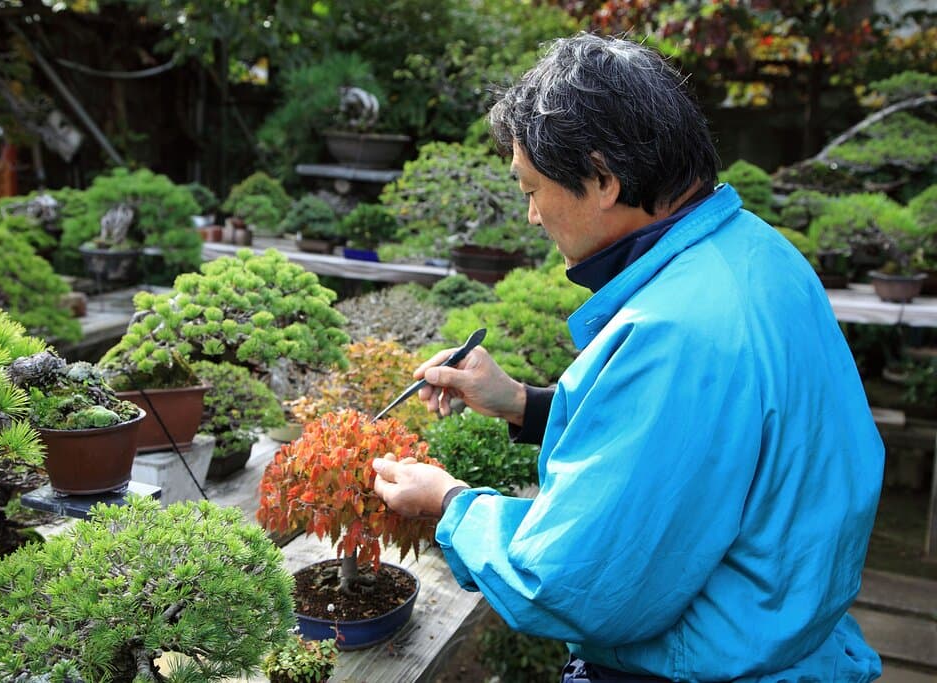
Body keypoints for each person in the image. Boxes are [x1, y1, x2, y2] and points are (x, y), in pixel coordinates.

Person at [372, 32, 884, 682]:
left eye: (531, 188)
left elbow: (570, 580)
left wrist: (450, 503)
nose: (531, 216)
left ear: (604, 178)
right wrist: (522, 404)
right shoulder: (757, 251)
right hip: (796, 635)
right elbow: (706, 439)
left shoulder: (676, 330)